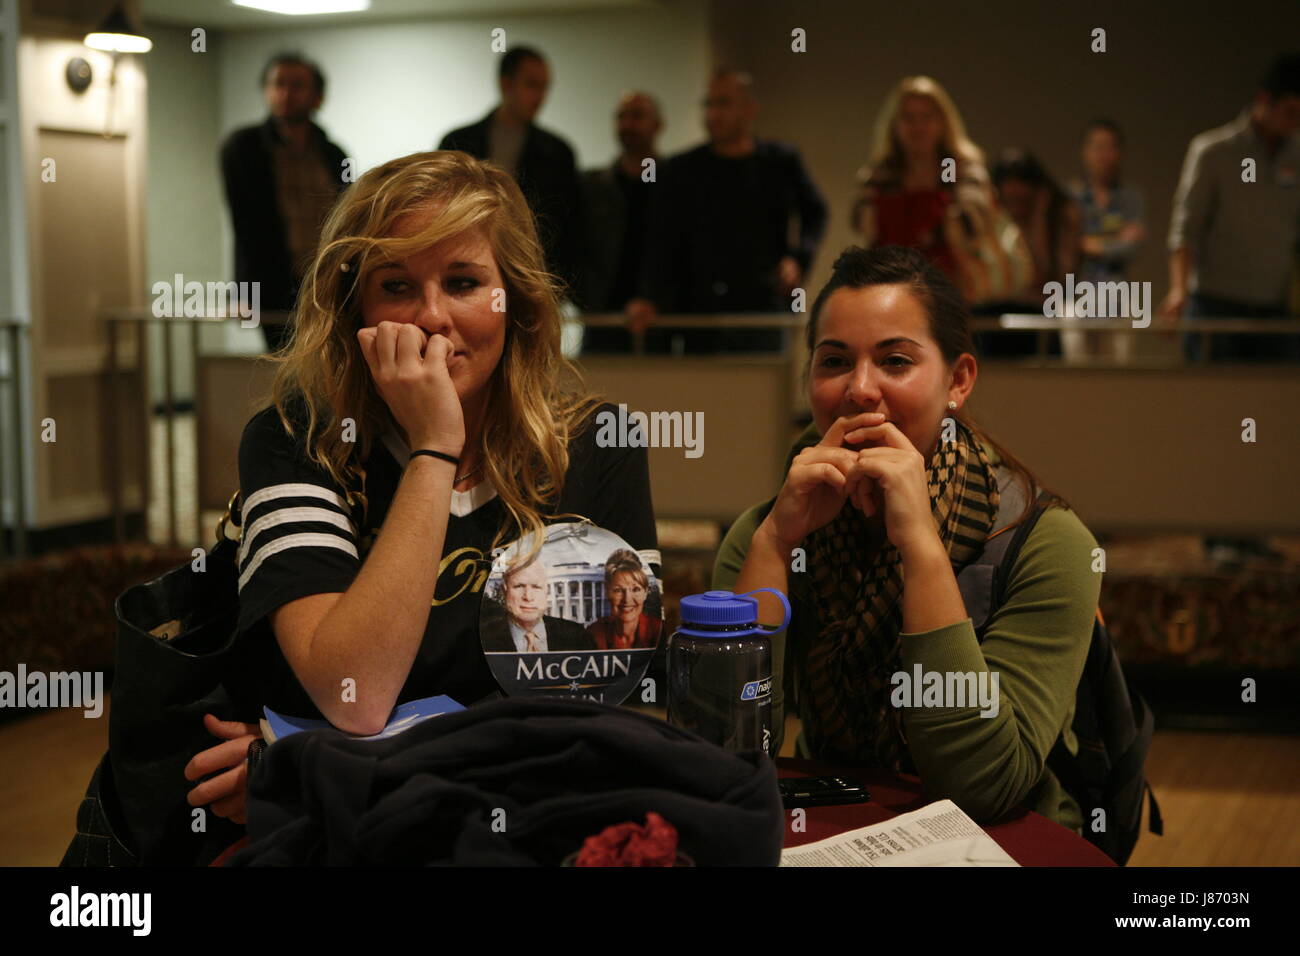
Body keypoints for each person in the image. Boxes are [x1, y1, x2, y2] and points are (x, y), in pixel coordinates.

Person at [183, 151, 656, 825]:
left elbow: (591, 707)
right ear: (356, 310)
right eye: (397, 286)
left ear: (515, 299)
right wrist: (435, 449)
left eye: (464, 281)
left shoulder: (597, 442)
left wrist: (319, 769)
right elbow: (357, 694)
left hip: (511, 821)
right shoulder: (298, 438)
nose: (433, 317)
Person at [712, 245, 1101, 831]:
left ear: (958, 380)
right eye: (834, 361)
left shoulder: (1049, 543)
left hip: (1004, 838)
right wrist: (773, 546)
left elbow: (985, 787)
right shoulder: (766, 531)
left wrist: (920, 544)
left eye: (895, 361)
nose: (861, 389)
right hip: (837, 826)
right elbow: (724, 756)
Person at [630, 68, 828, 353]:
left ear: (749, 109)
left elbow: (816, 211)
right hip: (698, 308)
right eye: (708, 104)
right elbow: (661, 239)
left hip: (762, 303)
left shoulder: (779, 161)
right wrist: (649, 296)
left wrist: (798, 259)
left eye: (723, 103)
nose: (713, 114)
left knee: (764, 390)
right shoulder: (682, 169)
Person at [1160, 51, 1300, 362]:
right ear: (1265, 100)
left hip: (1276, 310)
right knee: (1213, 403)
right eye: (1290, 112)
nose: (1295, 123)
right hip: (1215, 304)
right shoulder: (1213, 151)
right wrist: (1178, 290)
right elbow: (1186, 227)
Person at [851, 76, 1031, 316]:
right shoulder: (879, 177)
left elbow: (976, 227)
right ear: (894, 124)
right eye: (909, 118)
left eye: (927, 117)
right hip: (890, 299)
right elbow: (866, 231)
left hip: (953, 299)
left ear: (943, 122)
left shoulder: (962, 172)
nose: (918, 127)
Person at [220, 51, 349, 353]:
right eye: (278, 84)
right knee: (285, 361)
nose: (285, 93)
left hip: (324, 278)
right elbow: (246, 225)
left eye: (297, 85)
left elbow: (345, 216)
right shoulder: (244, 147)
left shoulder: (332, 153)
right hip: (274, 281)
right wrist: (244, 291)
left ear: (317, 97)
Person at [438, 46, 583, 301]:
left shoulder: (558, 152)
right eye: (531, 85)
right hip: (464, 264)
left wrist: (557, 284)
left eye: (544, 87)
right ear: (506, 84)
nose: (540, 96)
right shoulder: (458, 141)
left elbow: (567, 224)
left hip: (533, 276)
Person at [579, 91, 663, 353]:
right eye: (621, 117)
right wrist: (584, 298)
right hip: (602, 316)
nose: (628, 124)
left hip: (662, 319)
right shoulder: (593, 187)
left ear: (658, 125)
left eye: (637, 116)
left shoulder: (674, 186)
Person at [986, 149, 1082, 357]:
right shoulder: (990, 223)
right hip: (993, 317)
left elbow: (1051, 279)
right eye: (1008, 184)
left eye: (1022, 184)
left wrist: (1039, 221)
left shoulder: (1056, 220)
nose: (1015, 191)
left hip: (1040, 316)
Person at [1068, 119, 1146, 362]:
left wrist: (1091, 245)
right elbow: (1069, 244)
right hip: (1076, 291)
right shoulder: (1071, 196)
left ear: (1119, 153)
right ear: (1085, 152)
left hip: (1118, 292)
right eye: (1097, 147)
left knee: (1121, 369)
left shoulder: (1129, 198)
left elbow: (1132, 246)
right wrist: (1113, 242)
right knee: (1075, 367)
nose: (1103, 155)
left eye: (1109, 147)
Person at [483, 558, 594, 652]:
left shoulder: (577, 635)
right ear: (504, 591)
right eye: (519, 586)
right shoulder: (486, 637)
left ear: (547, 591)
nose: (528, 597)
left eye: (536, 587)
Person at [586, 549, 663, 650]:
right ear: (607, 592)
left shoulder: (658, 631)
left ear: (646, 592)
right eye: (618, 590)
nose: (627, 599)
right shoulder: (594, 633)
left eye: (636, 589)